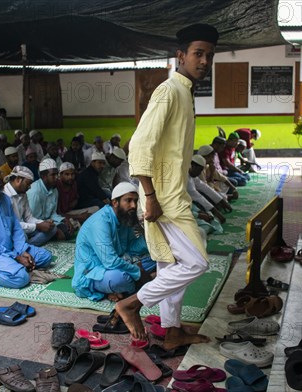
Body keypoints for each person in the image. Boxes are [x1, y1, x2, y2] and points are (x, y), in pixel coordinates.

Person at [120, 24, 218, 348]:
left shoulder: (185, 93)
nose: (204, 61)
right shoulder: (169, 91)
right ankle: (132, 303)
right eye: (198, 54)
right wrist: (149, 196)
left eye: (209, 55)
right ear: (181, 56)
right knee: (197, 262)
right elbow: (139, 145)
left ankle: (172, 331)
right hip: (163, 198)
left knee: (170, 264)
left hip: (173, 194)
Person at [0, 161, 53, 289]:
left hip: (12, 249)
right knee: (21, 278)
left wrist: (22, 250)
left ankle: (11, 266)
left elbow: (16, 228)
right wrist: (17, 257)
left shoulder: (5, 199)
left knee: (46, 257)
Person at [73, 182, 156, 302]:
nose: (133, 205)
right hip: (94, 271)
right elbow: (110, 261)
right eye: (128, 200)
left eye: (135, 201)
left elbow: (132, 247)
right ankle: (139, 284)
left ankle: (126, 289)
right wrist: (138, 272)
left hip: (121, 261)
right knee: (119, 279)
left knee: (158, 258)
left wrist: (148, 232)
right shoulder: (100, 223)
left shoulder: (124, 217)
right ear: (115, 202)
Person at [4, 165, 56, 246]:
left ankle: (26, 246)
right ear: (18, 180)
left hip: (23, 229)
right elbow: (12, 225)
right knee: (22, 236)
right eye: (28, 184)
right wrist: (37, 226)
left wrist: (43, 223)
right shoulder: (4, 196)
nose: (30, 187)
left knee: (52, 229)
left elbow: (28, 217)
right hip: (9, 232)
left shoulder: (22, 193)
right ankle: (25, 246)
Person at [27, 159, 75, 241]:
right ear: (44, 176)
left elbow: (53, 213)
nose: (57, 177)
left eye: (57, 174)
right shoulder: (35, 191)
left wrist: (63, 219)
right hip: (36, 224)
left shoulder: (54, 190)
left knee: (68, 230)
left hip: (49, 223)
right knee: (57, 232)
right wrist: (55, 229)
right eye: (53, 175)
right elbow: (32, 218)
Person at [187, 155, 230, 223]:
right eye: (199, 170)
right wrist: (216, 212)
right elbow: (197, 196)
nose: (199, 173)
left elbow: (205, 187)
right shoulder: (185, 177)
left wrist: (222, 201)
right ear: (193, 166)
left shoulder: (192, 174)